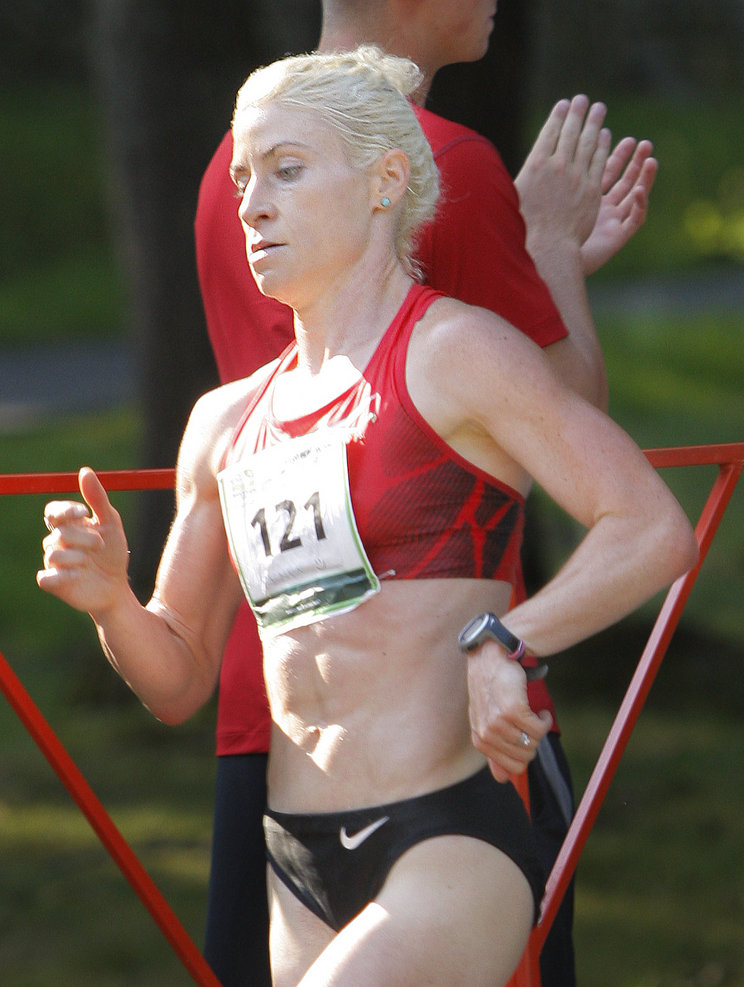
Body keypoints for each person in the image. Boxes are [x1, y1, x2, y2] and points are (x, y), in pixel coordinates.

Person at [38, 47, 697, 986]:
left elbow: (649, 527)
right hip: (295, 854)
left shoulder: (457, 352)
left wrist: (503, 638)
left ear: (387, 181)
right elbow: (178, 677)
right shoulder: (224, 423)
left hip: (451, 828)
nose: (252, 204)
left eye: (287, 169)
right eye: (241, 178)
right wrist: (111, 602)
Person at [194, 2, 659, 984]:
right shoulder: (444, 161)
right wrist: (545, 250)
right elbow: (564, 406)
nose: (258, 198)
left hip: (281, 694)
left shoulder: (224, 166)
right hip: (425, 704)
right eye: (256, 179)